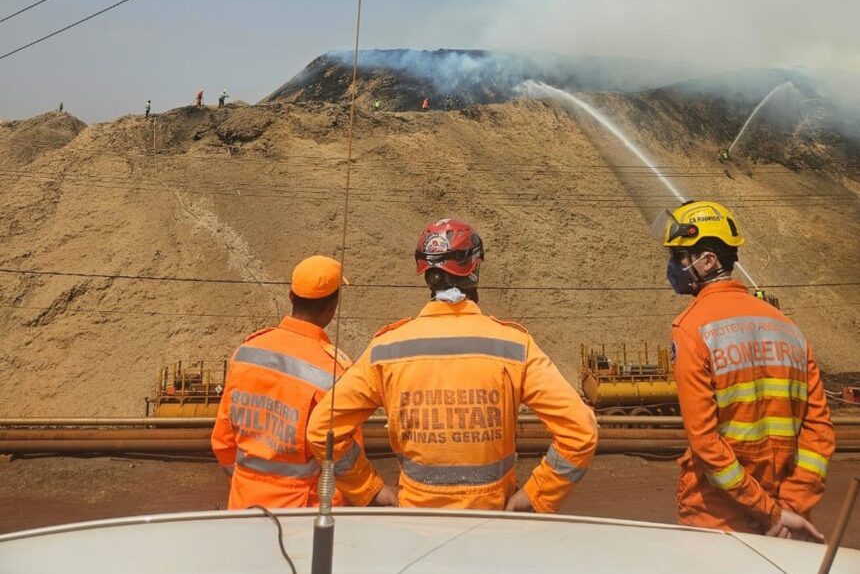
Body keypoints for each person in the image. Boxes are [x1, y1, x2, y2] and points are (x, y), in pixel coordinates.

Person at [307, 219, 598, 512]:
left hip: (414, 523)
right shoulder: (513, 346)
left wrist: (371, 491)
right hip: (493, 523)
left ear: (426, 274)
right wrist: (536, 496)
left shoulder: (387, 349)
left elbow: (322, 430)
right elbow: (580, 431)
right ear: (475, 268)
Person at [655, 200, 834, 540]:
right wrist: (792, 507)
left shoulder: (692, 329)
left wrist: (769, 513)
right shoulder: (789, 329)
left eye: (680, 256)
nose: (673, 266)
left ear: (708, 261)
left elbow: (707, 444)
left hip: (717, 520)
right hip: (789, 526)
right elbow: (820, 433)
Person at [211, 255, 357, 509]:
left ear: (291, 296)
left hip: (244, 507)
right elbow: (342, 460)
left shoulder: (247, 352)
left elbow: (223, 441)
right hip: (302, 517)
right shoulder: (334, 373)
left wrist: (249, 483)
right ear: (333, 306)